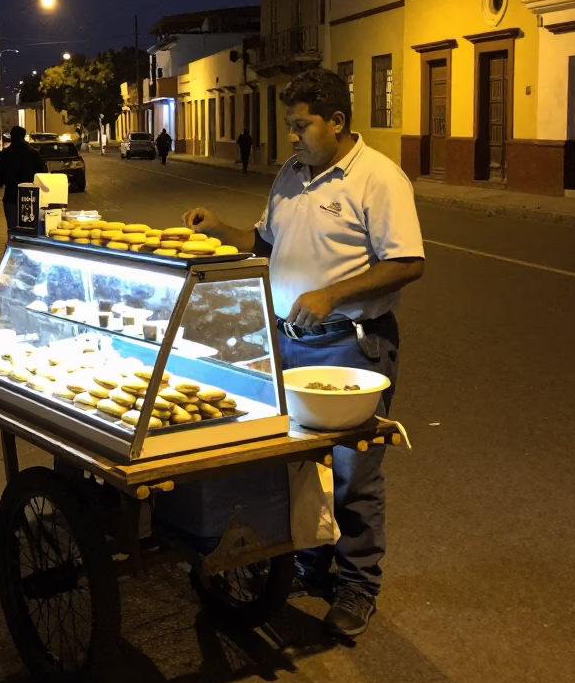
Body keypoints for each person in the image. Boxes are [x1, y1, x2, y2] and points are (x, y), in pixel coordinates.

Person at [182, 68, 424, 639]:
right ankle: (310, 566)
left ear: (336, 122)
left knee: (351, 471)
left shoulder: (378, 179)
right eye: (289, 125)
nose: (291, 136)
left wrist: (332, 293)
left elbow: (408, 262)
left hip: (351, 346)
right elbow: (265, 244)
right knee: (294, 467)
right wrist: (221, 229)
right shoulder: (290, 176)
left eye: (300, 125)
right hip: (288, 341)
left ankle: (358, 585)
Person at [0, 126, 46, 232]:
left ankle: (15, 247)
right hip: (31, 197)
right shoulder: (34, 153)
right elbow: (43, 173)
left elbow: (0, 176)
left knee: (13, 229)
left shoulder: (5, 154)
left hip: (11, 196)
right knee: (30, 229)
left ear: (12, 137)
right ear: (24, 136)